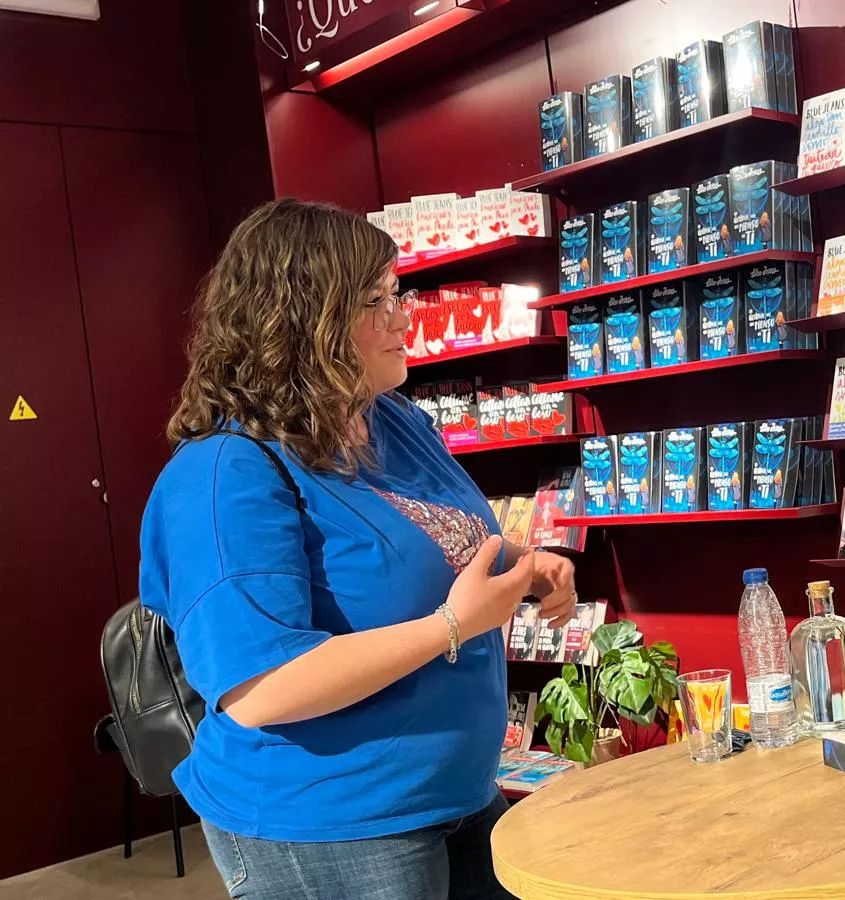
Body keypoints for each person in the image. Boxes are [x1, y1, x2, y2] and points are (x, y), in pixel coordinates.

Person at [140, 199, 578, 899]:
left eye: (396, 292)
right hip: (330, 825)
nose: (402, 318)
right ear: (299, 320)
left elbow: (420, 551)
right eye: (373, 301)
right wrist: (454, 626)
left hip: (455, 796)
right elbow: (261, 689)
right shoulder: (225, 473)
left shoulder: (395, 421)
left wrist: (519, 568)